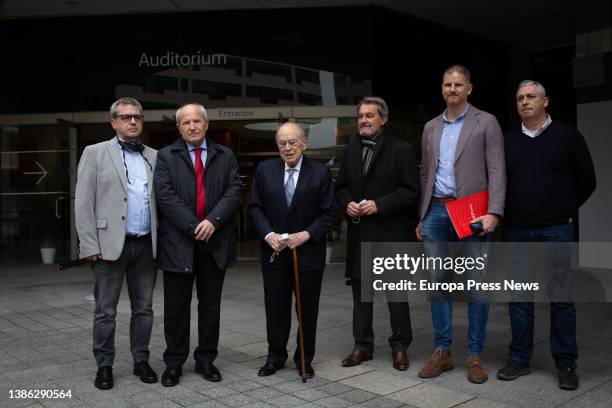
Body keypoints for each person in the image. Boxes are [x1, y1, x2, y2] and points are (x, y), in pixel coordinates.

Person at [496, 80, 596, 390]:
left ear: (546, 101)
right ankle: (519, 358)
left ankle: (565, 362)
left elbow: (587, 181)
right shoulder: (508, 141)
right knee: (520, 298)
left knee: (561, 298)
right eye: (519, 98)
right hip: (517, 230)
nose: (524, 102)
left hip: (556, 229)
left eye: (531, 97)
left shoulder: (568, 137)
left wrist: (561, 207)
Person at [416, 65, 505, 384]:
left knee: (476, 284)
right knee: (438, 282)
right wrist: (422, 214)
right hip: (437, 213)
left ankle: (475, 355)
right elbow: (426, 173)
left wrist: (494, 212)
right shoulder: (430, 127)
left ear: (469, 88)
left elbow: (497, 170)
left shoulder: (486, 122)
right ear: (442, 89)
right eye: (447, 84)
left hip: (473, 213)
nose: (452, 89)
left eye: (458, 84)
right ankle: (443, 352)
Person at [154, 103, 242, 387]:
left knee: (210, 307)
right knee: (176, 308)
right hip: (178, 243)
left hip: (214, 244)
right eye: (185, 123)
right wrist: (195, 226)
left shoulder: (225, 155)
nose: (192, 126)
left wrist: (213, 221)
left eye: (196, 121)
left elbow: (234, 190)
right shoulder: (166, 156)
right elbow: (165, 195)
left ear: (206, 125)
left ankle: (206, 359)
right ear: (178, 128)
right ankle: (174, 362)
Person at [75, 97, 158, 390]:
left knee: (144, 309)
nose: (132, 121)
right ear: (114, 122)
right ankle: (105, 365)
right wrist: (89, 245)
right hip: (107, 245)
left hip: (146, 245)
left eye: (137, 116)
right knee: (105, 310)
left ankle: (141, 360)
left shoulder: (154, 156)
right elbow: (83, 202)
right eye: (125, 117)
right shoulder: (95, 153)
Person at [335, 96, 419, 371]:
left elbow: (410, 192)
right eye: (361, 115)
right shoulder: (349, 152)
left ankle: (400, 348)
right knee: (362, 296)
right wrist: (346, 202)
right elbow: (340, 188)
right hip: (360, 235)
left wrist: (379, 205)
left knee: (396, 297)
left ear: (383, 119)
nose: (364, 120)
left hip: (390, 233)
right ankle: (362, 346)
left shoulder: (402, 150)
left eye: (370, 115)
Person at [249, 122, 335, 378]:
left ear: (304, 143)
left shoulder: (320, 172)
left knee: (307, 309)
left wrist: (307, 234)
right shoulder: (265, 170)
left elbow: (329, 213)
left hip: (307, 253)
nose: (287, 148)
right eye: (282, 143)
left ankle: (304, 358)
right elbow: (255, 208)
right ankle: (275, 356)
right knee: (275, 306)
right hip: (274, 252)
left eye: (293, 142)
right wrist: (268, 235)